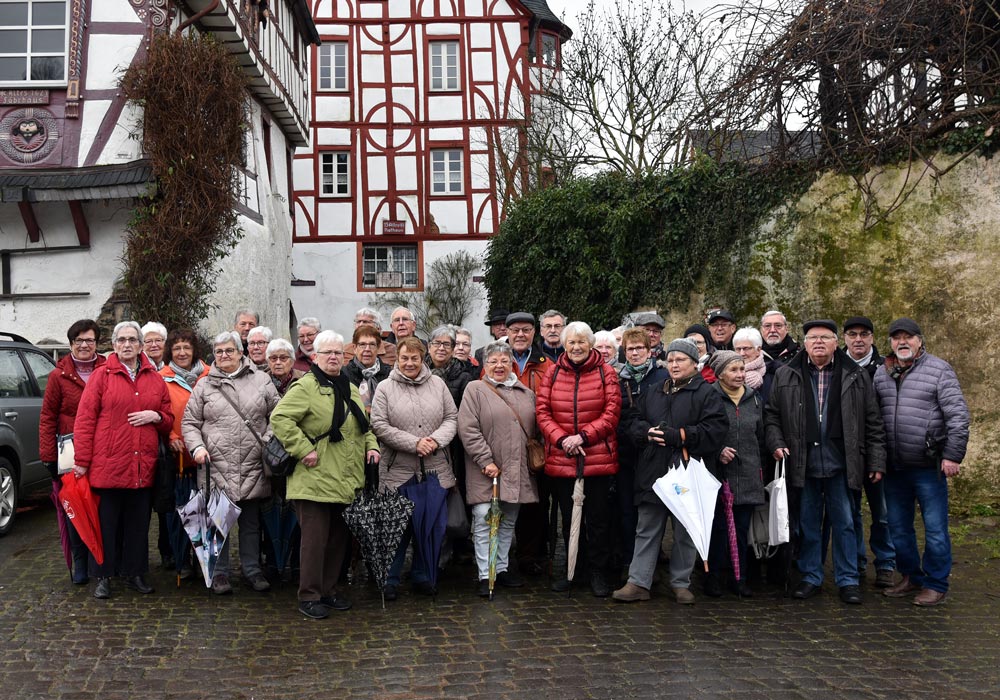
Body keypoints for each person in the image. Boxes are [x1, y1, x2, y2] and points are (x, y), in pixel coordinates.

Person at [765, 319, 886, 605]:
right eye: (812, 338)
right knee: (808, 523)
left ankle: (847, 580)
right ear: (804, 343)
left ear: (835, 343)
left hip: (841, 462)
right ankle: (810, 576)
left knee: (844, 522)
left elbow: (873, 421)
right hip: (802, 462)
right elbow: (771, 415)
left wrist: (876, 461)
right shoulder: (786, 374)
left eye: (825, 337)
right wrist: (776, 442)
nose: (818, 342)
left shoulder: (855, 375)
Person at [270, 331, 381, 619]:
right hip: (314, 477)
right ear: (314, 357)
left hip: (346, 478)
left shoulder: (350, 387)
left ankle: (329, 590)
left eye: (338, 353)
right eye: (327, 353)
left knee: (337, 540)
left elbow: (363, 426)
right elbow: (280, 418)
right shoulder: (305, 386)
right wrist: (302, 448)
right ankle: (309, 595)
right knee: (314, 541)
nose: (333, 357)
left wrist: (372, 448)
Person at [612, 338, 727, 605]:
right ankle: (638, 582)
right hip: (654, 470)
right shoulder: (654, 390)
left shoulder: (706, 393)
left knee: (685, 530)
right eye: (671, 360)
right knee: (647, 528)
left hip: (687, 470)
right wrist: (644, 432)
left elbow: (716, 430)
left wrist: (681, 436)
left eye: (681, 360)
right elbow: (633, 420)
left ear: (693, 364)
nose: (674, 365)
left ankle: (681, 583)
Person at [72, 321, 173, 600]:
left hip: (142, 466)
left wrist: (156, 417)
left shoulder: (154, 378)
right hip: (109, 465)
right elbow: (85, 420)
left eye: (132, 339)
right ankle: (103, 576)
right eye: (121, 340)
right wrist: (81, 460)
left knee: (138, 525)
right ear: (114, 345)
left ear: (141, 345)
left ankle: (135, 572)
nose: (127, 344)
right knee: (106, 526)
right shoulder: (101, 376)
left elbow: (168, 418)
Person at [874, 318, 970, 606]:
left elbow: (958, 416)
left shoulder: (939, 370)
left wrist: (953, 454)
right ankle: (911, 576)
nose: (902, 342)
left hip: (928, 466)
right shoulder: (882, 373)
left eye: (908, 337)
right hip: (894, 467)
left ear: (919, 340)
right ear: (890, 342)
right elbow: (873, 419)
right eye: (896, 338)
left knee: (936, 528)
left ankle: (936, 583)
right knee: (898, 527)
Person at [182, 331, 280, 595]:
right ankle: (220, 573)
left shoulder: (262, 380)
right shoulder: (204, 385)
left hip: (252, 463)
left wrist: (268, 440)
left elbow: (278, 414)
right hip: (216, 466)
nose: (223, 355)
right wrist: (198, 447)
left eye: (229, 350)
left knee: (251, 525)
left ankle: (252, 570)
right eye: (218, 351)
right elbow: (190, 422)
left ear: (240, 352)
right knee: (218, 523)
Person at [535, 321, 621, 597]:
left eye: (581, 341)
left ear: (591, 343)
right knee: (569, 519)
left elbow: (611, 413)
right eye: (571, 342)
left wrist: (582, 437)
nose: (576, 347)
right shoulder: (552, 373)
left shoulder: (606, 372)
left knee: (597, 520)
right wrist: (562, 440)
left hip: (597, 458)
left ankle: (598, 573)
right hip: (562, 458)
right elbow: (542, 412)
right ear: (564, 344)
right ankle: (574, 570)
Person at [370, 336, 458, 599]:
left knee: (430, 526)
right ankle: (390, 579)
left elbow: (451, 417)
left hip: (434, 469)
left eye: (415, 358)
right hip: (398, 470)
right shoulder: (385, 388)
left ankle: (423, 575)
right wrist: (414, 443)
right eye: (404, 358)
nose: (410, 363)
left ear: (423, 359)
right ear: (396, 359)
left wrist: (435, 440)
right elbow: (379, 425)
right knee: (398, 528)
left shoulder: (438, 384)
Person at [457, 342, 539, 596]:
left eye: (504, 360)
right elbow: (467, 428)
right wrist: (485, 460)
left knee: (507, 521)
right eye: (493, 361)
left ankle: (501, 569)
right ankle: (485, 572)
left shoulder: (526, 393)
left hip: (516, 469)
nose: (499, 365)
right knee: (485, 519)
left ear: (512, 364)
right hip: (486, 470)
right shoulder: (475, 389)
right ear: (485, 365)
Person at [39, 319, 107, 585]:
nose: (84, 345)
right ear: (70, 344)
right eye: (78, 341)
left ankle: (98, 558)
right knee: (74, 506)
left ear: (97, 343)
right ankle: (80, 560)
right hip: (69, 451)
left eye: (89, 340)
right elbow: (47, 416)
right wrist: (48, 456)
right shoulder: (58, 376)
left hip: (103, 450)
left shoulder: (108, 369)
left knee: (101, 506)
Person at [839, 315, 895, 588]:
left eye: (863, 334)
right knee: (852, 514)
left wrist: (879, 455)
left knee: (882, 513)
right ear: (844, 338)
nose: (858, 339)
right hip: (846, 454)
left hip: (876, 449)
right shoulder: (835, 366)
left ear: (872, 337)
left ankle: (885, 563)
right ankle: (857, 563)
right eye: (852, 334)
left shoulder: (886, 367)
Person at [706, 350, 766, 597]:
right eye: (734, 370)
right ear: (719, 374)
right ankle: (714, 577)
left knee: (741, 528)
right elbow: (703, 431)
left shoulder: (754, 399)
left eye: (742, 369)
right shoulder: (709, 397)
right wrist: (718, 450)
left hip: (748, 472)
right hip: (719, 473)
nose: (740, 374)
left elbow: (760, 433)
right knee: (718, 527)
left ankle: (739, 577)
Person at [502, 311, 553, 577]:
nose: (520, 335)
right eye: (515, 330)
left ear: (534, 333)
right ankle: (500, 558)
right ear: (506, 332)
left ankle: (528, 556)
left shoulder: (547, 365)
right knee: (505, 501)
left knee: (534, 502)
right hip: (504, 444)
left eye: (526, 330)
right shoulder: (496, 360)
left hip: (536, 444)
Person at [615, 328, 669, 572]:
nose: (634, 353)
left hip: (655, 453)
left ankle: (652, 562)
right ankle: (630, 561)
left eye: (639, 348)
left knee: (653, 511)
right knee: (627, 510)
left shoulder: (662, 376)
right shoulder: (618, 379)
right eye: (630, 349)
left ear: (650, 351)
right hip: (626, 453)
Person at [159, 329, 210, 580]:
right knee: (180, 512)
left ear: (194, 350)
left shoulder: (209, 375)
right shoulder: (162, 377)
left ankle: (203, 557)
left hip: (206, 455)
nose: (182, 352)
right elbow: (159, 411)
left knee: (204, 511)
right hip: (177, 456)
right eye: (177, 347)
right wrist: (170, 436)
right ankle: (183, 560)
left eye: (186, 347)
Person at [342, 325, 391, 413]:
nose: (367, 349)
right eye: (362, 345)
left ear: (378, 348)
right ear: (354, 348)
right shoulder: (344, 375)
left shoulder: (389, 375)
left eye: (372, 344)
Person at [425, 325, 471, 409]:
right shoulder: (419, 371)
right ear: (429, 347)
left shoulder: (464, 378)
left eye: (446, 344)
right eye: (437, 343)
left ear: (453, 350)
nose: (441, 348)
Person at [733, 327, 773, 404]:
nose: (742, 353)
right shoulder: (726, 375)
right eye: (738, 349)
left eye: (746, 348)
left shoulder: (773, 374)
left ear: (758, 350)